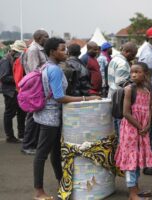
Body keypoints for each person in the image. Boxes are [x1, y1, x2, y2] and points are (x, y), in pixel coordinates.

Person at [32, 37, 100, 200]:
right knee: (42, 154)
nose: (66, 52)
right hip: (50, 118)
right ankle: (39, 192)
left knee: (56, 152)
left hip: (46, 115)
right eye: (62, 49)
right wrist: (86, 99)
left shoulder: (46, 66)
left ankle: (62, 182)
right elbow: (59, 97)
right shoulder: (54, 69)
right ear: (52, 52)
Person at [114, 62, 152, 200]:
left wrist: (148, 125)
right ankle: (132, 192)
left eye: (137, 72)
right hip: (131, 130)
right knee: (131, 160)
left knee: (137, 158)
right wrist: (140, 127)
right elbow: (126, 113)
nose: (133, 74)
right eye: (132, 72)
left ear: (145, 74)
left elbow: (150, 108)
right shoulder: (128, 89)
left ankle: (136, 188)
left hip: (142, 130)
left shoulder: (147, 89)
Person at [21, 29, 49, 155]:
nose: (48, 39)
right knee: (32, 117)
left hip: (39, 87)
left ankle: (33, 144)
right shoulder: (33, 50)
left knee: (36, 117)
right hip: (35, 88)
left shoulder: (40, 49)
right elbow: (34, 71)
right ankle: (27, 145)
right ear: (39, 38)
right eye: (46, 37)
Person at [108, 42, 138, 138]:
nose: (133, 57)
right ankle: (122, 151)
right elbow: (121, 83)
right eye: (133, 55)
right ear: (126, 52)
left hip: (113, 95)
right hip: (120, 100)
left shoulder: (115, 59)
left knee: (116, 128)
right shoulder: (123, 64)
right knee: (121, 130)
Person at [0, 40, 27, 143]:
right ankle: (10, 136)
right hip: (10, 92)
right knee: (9, 114)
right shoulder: (5, 61)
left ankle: (22, 134)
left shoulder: (16, 59)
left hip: (18, 91)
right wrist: (19, 79)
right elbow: (4, 77)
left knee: (22, 112)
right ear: (13, 51)